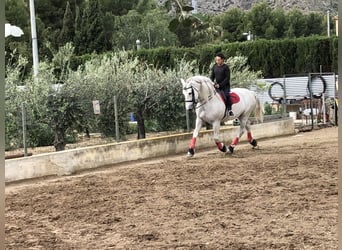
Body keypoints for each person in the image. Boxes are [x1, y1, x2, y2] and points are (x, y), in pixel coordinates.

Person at [210, 52, 234, 117]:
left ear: (222, 60)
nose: (217, 61)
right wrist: (211, 82)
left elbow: (227, 79)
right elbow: (212, 76)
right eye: (216, 60)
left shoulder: (226, 67)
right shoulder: (214, 66)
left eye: (218, 60)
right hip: (216, 86)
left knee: (227, 95)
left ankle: (229, 110)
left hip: (225, 86)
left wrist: (220, 85)